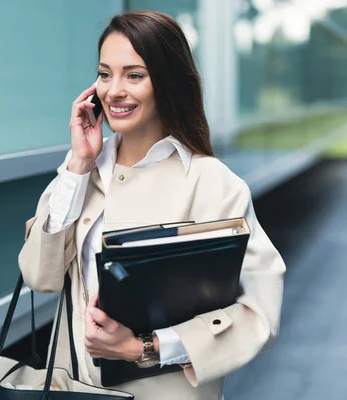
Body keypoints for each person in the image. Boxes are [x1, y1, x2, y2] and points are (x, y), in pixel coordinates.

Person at [19, 10, 286, 400]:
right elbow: (38, 276)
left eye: (135, 75)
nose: (113, 91)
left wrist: (145, 347)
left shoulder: (212, 183)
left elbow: (258, 314)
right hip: (72, 390)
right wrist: (77, 166)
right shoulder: (81, 173)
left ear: (168, 82)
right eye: (105, 73)